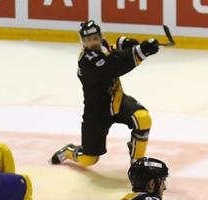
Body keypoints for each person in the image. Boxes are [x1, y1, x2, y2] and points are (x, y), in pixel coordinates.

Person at [51, 20, 160, 168]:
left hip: (117, 102)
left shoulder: (102, 46)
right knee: (89, 160)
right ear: (83, 42)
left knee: (143, 118)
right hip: (96, 113)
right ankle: (70, 151)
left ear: (100, 36)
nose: (93, 42)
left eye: (95, 38)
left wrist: (123, 43)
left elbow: (111, 50)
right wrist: (140, 51)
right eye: (88, 40)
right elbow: (114, 66)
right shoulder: (87, 61)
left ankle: (137, 163)